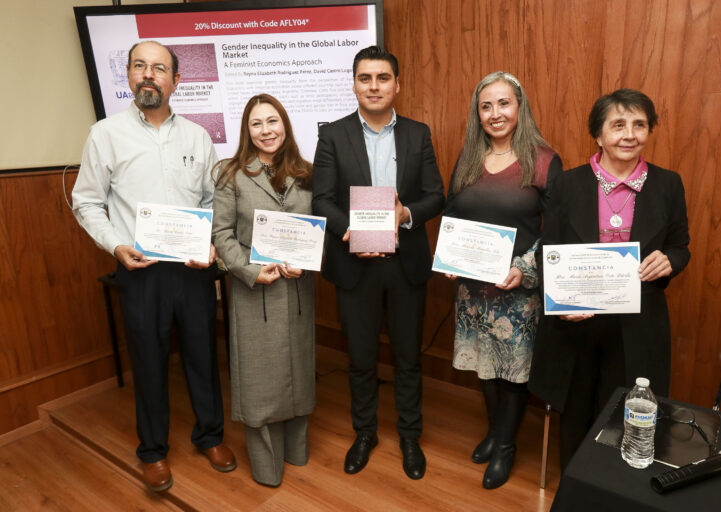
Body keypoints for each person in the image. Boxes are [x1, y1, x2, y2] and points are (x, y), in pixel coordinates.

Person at [71, 41, 235, 492]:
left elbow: (212, 199)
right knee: (148, 361)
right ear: (128, 76)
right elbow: (86, 201)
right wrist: (116, 245)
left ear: (175, 81)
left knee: (204, 354)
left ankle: (210, 436)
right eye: (140, 66)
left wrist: (212, 245)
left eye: (159, 68)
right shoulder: (104, 134)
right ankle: (153, 452)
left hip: (193, 267)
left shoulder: (198, 137)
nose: (149, 74)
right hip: (139, 268)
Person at [528, 88, 690, 472]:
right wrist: (559, 302)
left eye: (639, 124)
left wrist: (669, 260)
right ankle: (576, 483)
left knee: (625, 417)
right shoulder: (567, 184)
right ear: (598, 135)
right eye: (618, 125)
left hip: (638, 324)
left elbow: (680, 246)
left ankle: (615, 487)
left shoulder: (668, 184)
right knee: (577, 411)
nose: (629, 134)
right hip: (577, 326)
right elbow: (545, 252)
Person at [312, 46, 444, 480]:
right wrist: (351, 232)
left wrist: (406, 214)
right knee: (361, 358)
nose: (373, 86)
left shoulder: (418, 133)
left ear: (396, 85)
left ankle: (409, 435)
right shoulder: (332, 135)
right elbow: (322, 200)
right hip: (356, 264)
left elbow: (435, 195)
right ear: (354, 84)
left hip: (405, 261)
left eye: (382, 78)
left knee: (408, 357)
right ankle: (364, 432)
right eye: (365, 78)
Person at [444, 71, 562, 489]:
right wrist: (450, 252)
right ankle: (495, 433)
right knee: (484, 366)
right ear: (478, 114)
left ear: (520, 106)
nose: (495, 113)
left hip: (518, 290)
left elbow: (559, 228)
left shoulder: (544, 159)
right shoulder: (469, 157)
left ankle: (507, 446)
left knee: (513, 372)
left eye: (504, 103)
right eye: (486, 106)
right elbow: (453, 212)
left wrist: (527, 268)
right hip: (474, 290)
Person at [211, 94, 315, 487]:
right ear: (246, 130)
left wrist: (307, 259)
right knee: (259, 380)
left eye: (273, 121)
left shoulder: (307, 172)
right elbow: (221, 234)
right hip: (254, 291)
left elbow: (318, 228)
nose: (266, 130)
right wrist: (251, 270)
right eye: (257, 124)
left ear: (285, 125)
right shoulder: (230, 174)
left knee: (299, 373)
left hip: (298, 288)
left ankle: (297, 451)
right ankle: (267, 467)